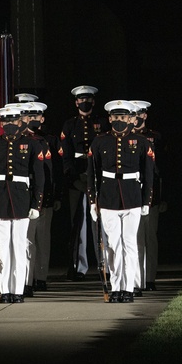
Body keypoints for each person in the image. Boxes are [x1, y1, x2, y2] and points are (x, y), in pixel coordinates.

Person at [87, 100, 155, 303]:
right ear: (109, 118)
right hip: (108, 197)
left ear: (131, 119)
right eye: (116, 117)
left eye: (123, 117)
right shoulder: (99, 141)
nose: (119, 121)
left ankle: (128, 287)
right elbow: (92, 173)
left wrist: (146, 201)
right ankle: (116, 286)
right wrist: (93, 201)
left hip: (133, 195)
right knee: (113, 245)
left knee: (130, 244)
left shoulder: (142, 142)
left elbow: (148, 174)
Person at [0, 105, 45, 303]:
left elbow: (39, 177)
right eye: (5, 121)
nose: (9, 125)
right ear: (2, 123)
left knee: (19, 246)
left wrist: (36, 204)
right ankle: (4, 289)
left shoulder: (32, 144)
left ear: (20, 122)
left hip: (21, 199)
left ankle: (18, 290)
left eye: (13, 121)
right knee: (2, 248)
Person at [60, 85, 106, 280]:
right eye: (81, 99)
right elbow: (65, 154)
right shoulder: (70, 125)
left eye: (87, 99)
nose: (84, 102)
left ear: (93, 101)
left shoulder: (102, 123)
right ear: (76, 102)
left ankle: (104, 265)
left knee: (101, 223)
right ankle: (78, 267)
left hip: (98, 176)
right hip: (77, 178)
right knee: (78, 224)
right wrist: (73, 176)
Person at [22, 100, 62, 293]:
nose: (32, 119)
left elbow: (56, 171)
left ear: (42, 118)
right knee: (28, 241)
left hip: (45, 196)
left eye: (36, 116)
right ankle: (27, 280)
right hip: (27, 196)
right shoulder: (20, 139)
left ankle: (41, 277)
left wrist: (57, 195)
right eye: (29, 116)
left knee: (43, 240)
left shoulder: (51, 140)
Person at [130, 100, 164, 294]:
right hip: (132, 192)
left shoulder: (154, 138)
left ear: (144, 115)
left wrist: (162, 196)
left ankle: (149, 277)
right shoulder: (126, 138)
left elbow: (162, 169)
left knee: (149, 237)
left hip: (151, 193)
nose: (137, 118)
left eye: (139, 114)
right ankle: (137, 279)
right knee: (135, 239)